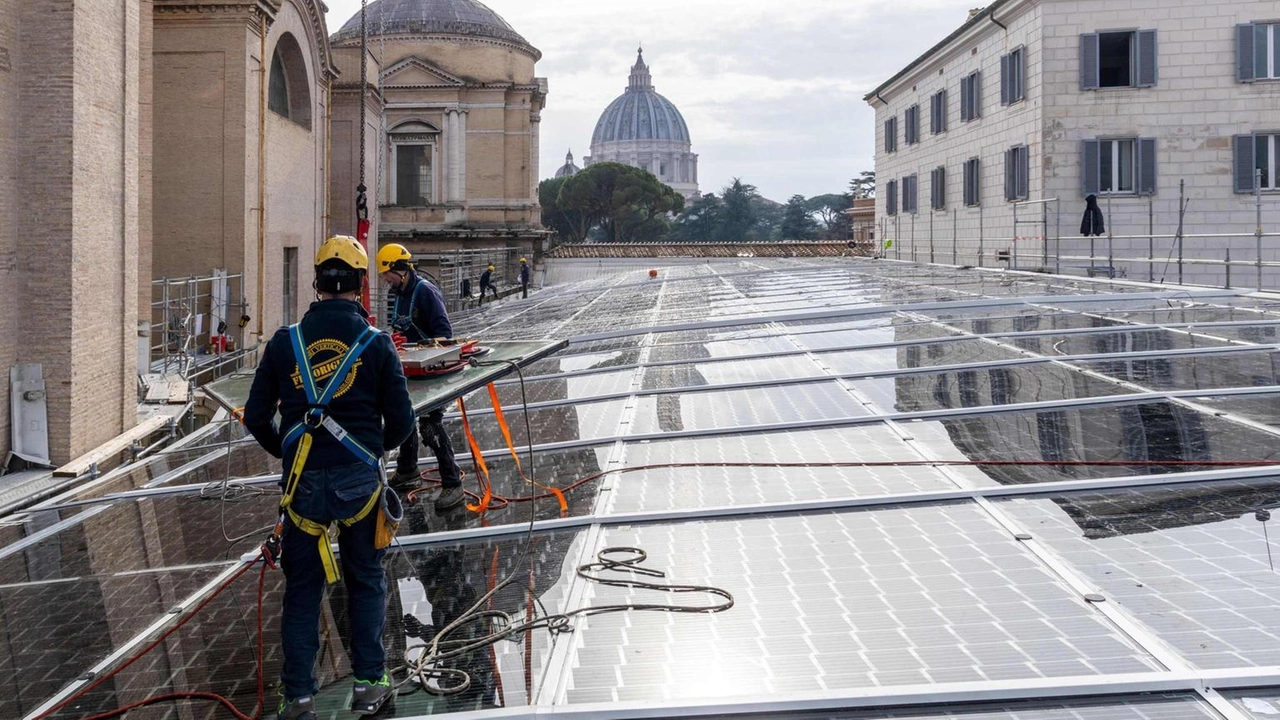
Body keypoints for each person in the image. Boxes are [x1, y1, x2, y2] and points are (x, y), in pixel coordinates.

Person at [243, 236, 413, 719]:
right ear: (361, 284)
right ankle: (369, 685)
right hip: (359, 484)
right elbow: (402, 424)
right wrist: (370, 448)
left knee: (302, 591)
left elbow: (255, 417)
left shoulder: (284, 343)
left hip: (302, 488)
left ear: (316, 282)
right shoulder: (376, 345)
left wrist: (290, 450)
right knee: (364, 580)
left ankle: (297, 698)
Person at [375, 243, 466, 512]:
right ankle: (407, 470)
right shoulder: (400, 293)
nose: (385, 280)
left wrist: (419, 348)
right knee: (403, 416)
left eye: (387, 273)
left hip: (432, 372)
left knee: (429, 424)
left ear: (400, 269)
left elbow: (445, 335)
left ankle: (452, 482)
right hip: (411, 371)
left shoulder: (425, 292)